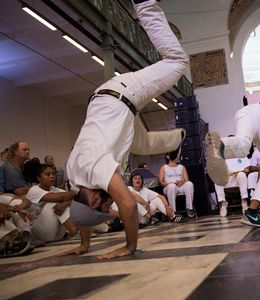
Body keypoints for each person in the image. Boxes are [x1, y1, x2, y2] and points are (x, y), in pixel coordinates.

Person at [60, 0, 188, 260]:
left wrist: (129, 247)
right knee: (142, 145)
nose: (111, 204)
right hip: (111, 108)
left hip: (123, 95)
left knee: (176, 62)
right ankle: (178, 138)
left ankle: (145, 4)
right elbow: (82, 206)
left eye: (105, 206)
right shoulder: (75, 177)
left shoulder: (95, 170)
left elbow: (128, 205)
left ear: (95, 200)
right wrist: (84, 245)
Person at [25, 162, 78, 243]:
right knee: (54, 203)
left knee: (66, 203)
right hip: (39, 232)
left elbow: (76, 199)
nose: (52, 176)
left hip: (57, 234)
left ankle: (76, 231)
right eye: (47, 174)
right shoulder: (34, 190)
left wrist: (65, 203)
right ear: (39, 178)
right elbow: (60, 197)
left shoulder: (55, 189)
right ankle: (74, 231)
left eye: (53, 174)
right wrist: (77, 191)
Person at [159, 153, 195, 217]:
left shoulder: (181, 167)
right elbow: (161, 182)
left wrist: (182, 182)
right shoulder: (164, 167)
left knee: (189, 184)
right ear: (167, 157)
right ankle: (172, 211)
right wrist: (169, 183)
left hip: (180, 186)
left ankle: (189, 208)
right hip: (169, 187)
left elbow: (187, 179)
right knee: (172, 186)